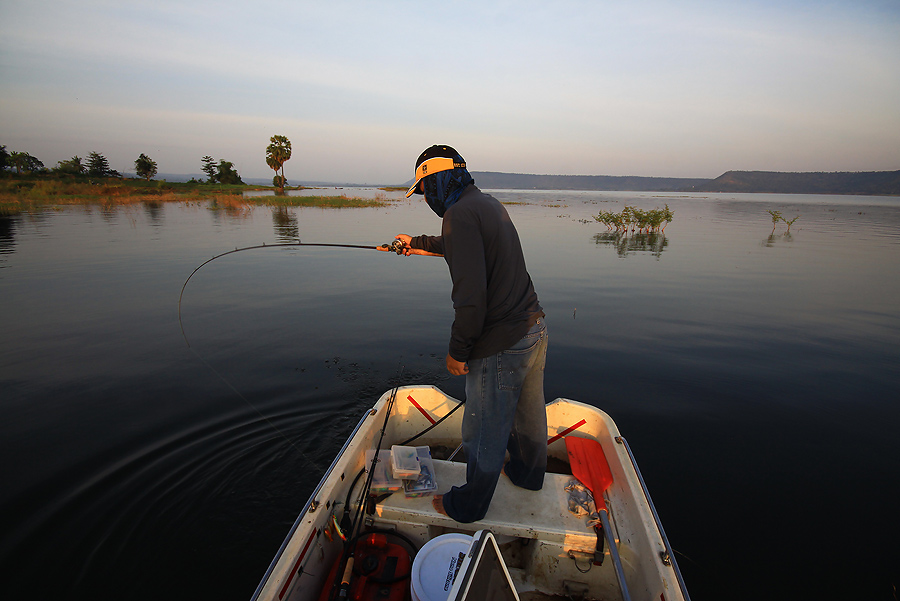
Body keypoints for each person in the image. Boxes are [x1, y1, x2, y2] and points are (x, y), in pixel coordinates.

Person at [391, 144, 548, 523]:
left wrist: (458, 351)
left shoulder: (459, 215)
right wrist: (415, 243)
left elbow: (471, 299)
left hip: (500, 342)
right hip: (533, 328)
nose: (426, 197)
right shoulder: (486, 204)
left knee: (484, 428)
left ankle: (470, 505)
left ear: (438, 179)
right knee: (528, 415)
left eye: (426, 188)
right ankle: (528, 475)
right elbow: (460, 247)